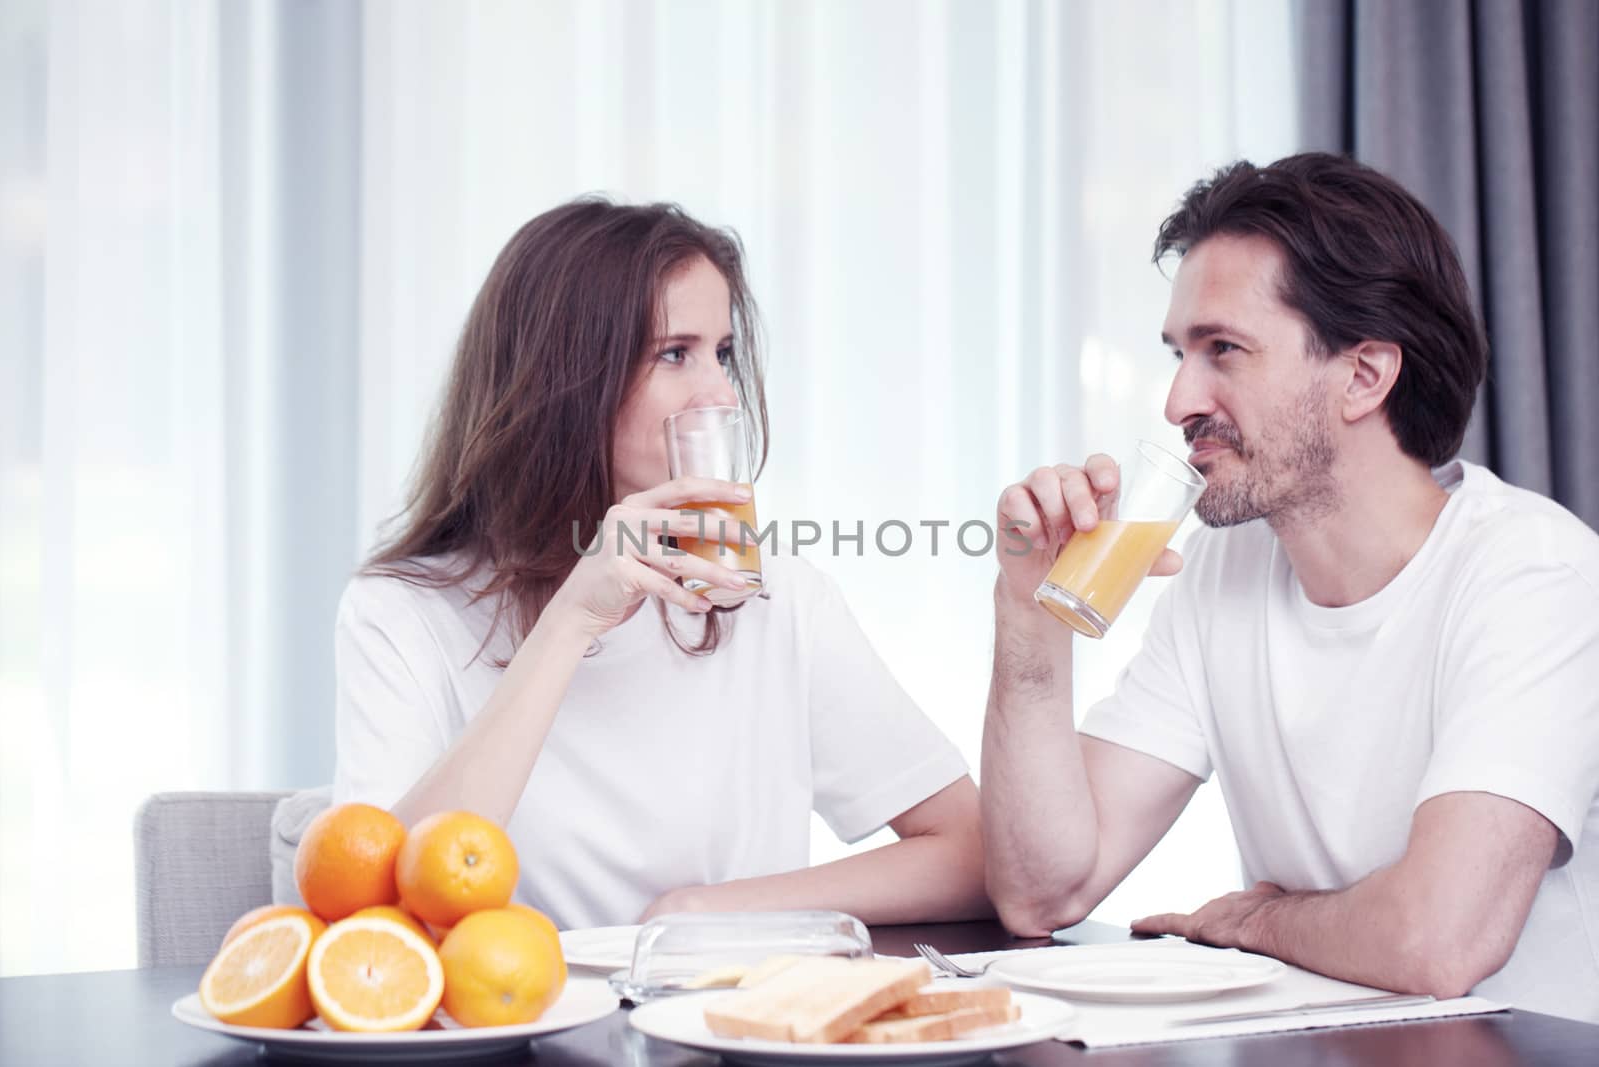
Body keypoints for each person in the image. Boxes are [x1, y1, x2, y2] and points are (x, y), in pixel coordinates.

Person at [981, 153, 1599, 1022]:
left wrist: (1256, 919)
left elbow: (1438, 941)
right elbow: (1043, 890)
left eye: (1222, 350)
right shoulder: (1223, 579)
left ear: (1364, 376)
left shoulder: (1534, 576)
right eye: (1178, 353)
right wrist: (1026, 620)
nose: (1176, 400)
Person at [334, 198, 986, 931]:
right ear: (563, 380)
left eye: (724, 353)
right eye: (676, 353)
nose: (720, 393)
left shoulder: (778, 601)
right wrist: (571, 621)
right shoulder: (405, 610)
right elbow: (376, 911)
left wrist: (700, 912)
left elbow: (970, 849)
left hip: (727, 1026)